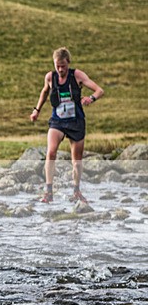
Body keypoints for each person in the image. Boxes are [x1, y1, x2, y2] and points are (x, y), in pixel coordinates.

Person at [30, 47, 104, 203]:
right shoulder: (50, 77)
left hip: (76, 122)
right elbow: (44, 92)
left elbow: (99, 90)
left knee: (76, 161)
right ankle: (48, 192)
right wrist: (37, 110)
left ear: (68, 63)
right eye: (57, 66)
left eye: (63, 66)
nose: (60, 69)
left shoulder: (77, 75)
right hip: (58, 121)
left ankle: (76, 191)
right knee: (51, 153)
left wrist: (91, 98)